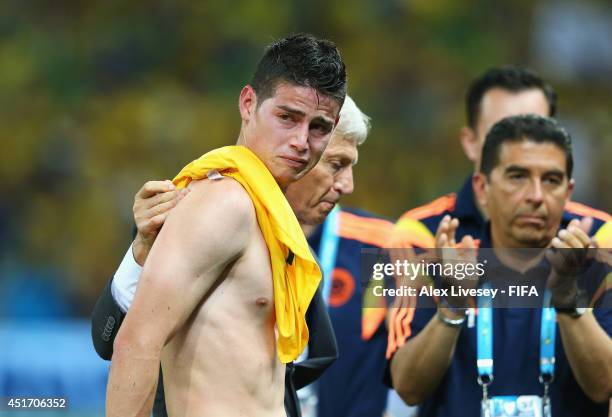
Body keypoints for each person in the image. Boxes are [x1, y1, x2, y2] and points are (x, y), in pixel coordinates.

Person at [104, 33, 347, 417]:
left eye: (319, 127)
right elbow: (136, 341)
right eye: (287, 117)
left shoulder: (268, 215)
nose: (302, 141)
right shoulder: (223, 203)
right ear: (248, 103)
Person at [388, 114, 612, 417]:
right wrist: (452, 306)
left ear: (568, 192)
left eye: (551, 180)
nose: (536, 196)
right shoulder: (445, 262)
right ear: (481, 188)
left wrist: (568, 299)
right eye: (517, 176)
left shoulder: (596, 265)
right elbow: (408, 388)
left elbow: (604, 386)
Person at [389, 66, 610, 252]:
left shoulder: (601, 236)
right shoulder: (421, 235)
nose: (522, 146)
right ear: (470, 142)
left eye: (537, 131)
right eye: (501, 132)